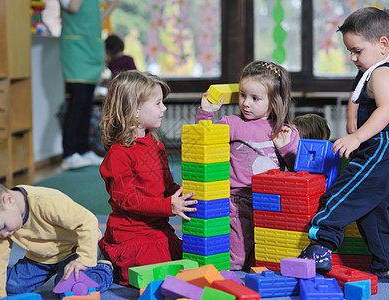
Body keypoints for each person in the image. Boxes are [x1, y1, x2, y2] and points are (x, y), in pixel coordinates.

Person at [299, 7, 389, 278]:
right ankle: (385, 262)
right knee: (373, 210)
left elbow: (386, 109)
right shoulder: (371, 72)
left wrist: (359, 136)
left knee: (342, 193)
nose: (352, 57)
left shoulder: (380, 73)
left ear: (383, 44)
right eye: (349, 51)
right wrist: (354, 124)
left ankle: (321, 245)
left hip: (378, 149)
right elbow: (357, 97)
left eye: (357, 51)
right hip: (377, 147)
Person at [196, 60, 300, 271]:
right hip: (237, 202)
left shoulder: (286, 131)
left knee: (265, 259)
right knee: (237, 260)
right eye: (243, 95)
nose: (246, 103)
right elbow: (202, 142)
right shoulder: (232, 123)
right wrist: (207, 113)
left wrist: (286, 148)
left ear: (275, 101)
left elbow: (296, 171)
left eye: (255, 98)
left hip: (269, 202)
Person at [98, 70, 197, 285]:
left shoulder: (157, 145)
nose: (164, 108)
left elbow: (167, 185)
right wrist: (167, 207)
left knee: (187, 259)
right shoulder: (118, 154)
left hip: (157, 228)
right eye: (158, 103)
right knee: (152, 271)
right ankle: (106, 262)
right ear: (134, 110)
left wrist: (189, 197)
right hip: (131, 231)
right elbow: (127, 199)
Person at [0, 178, 113, 299]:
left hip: (74, 252)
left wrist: (84, 259)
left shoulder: (47, 203)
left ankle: (104, 267)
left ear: (8, 201)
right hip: (40, 259)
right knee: (11, 286)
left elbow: (88, 222)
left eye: (3, 227)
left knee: (71, 287)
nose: (3, 235)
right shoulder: (2, 222)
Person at [59, 0, 118, 170]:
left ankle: (83, 150)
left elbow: (106, 11)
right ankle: (69, 154)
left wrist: (105, 12)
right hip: (75, 47)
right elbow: (73, 7)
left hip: (92, 47)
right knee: (77, 100)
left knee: (86, 103)